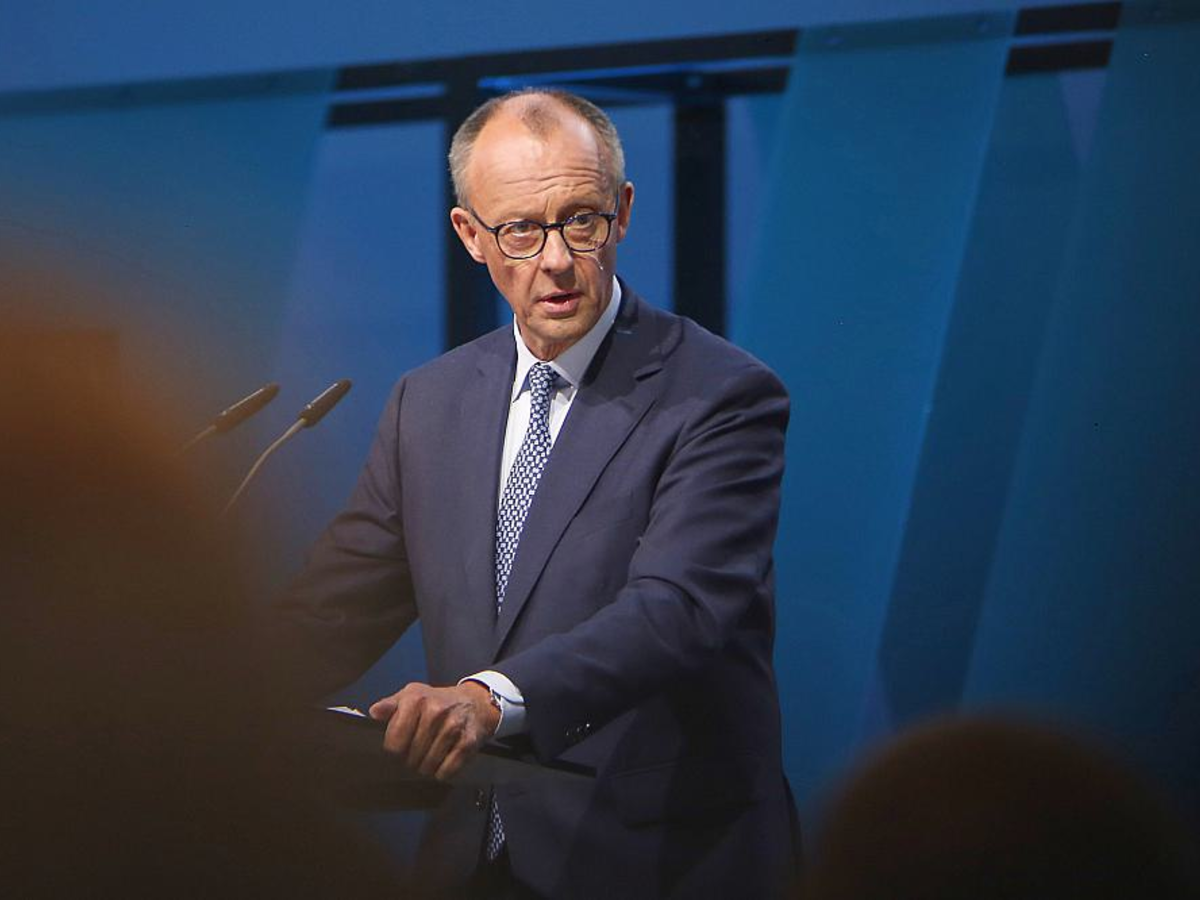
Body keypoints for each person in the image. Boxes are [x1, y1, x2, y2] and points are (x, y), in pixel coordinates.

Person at [278, 88, 800, 898]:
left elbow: (677, 609)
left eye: (580, 221)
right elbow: (334, 612)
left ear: (623, 213)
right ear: (471, 236)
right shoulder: (429, 403)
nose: (555, 259)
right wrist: (185, 690)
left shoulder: (719, 395)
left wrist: (489, 700)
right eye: (521, 230)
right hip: (473, 862)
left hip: (657, 863)